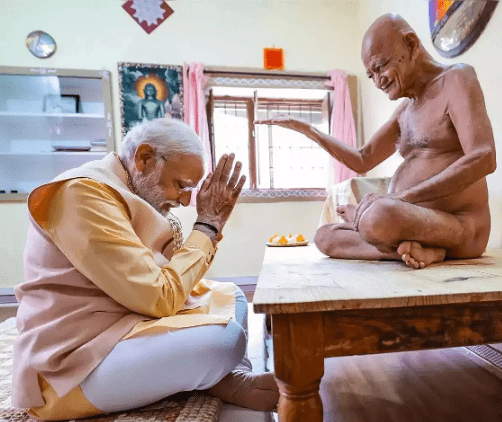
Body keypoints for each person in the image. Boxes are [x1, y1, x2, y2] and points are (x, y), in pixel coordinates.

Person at [12, 118, 279, 420]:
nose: (186, 200)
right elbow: (160, 297)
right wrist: (207, 226)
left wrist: (208, 230)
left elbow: (163, 280)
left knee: (230, 295)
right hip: (75, 362)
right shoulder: (83, 194)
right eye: (181, 185)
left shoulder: (124, 190)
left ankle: (223, 377)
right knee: (225, 339)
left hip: (123, 324)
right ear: (144, 158)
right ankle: (219, 376)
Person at [256, 13, 496, 269]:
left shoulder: (457, 79)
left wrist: (401, 199)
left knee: (378, 217)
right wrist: (309, 130)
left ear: (411, 45)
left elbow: (484, 157)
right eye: (371, 75)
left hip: (460, 226)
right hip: (412, 222)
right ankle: (418, 251)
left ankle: (417, 241)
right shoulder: (406, 110)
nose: (378, 81)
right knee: (325, 236)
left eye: (380, 66)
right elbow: (363, 159)